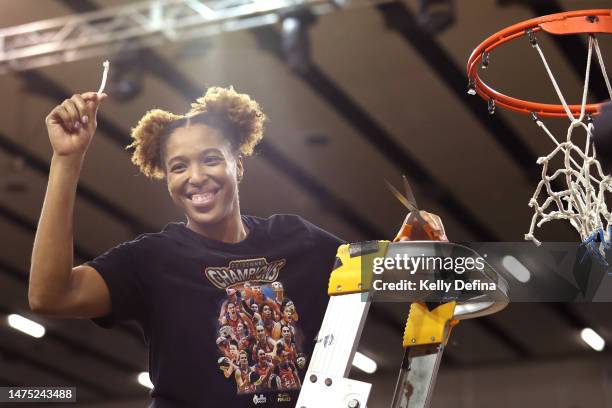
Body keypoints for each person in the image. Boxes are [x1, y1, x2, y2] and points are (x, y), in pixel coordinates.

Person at [28, 86, 345, 407]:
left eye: (210, 159)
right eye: (179, 167)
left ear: (238, 165)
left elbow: (383, 271)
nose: (195, 176)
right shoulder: (152, 259)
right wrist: (66, 160)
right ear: (166, 178)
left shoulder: (297, 238)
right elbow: (51, 296)